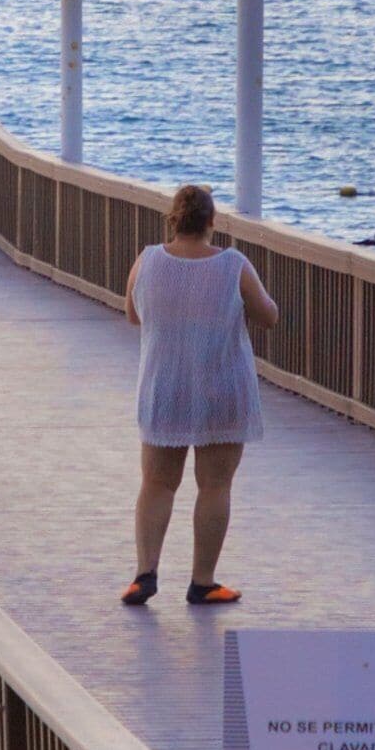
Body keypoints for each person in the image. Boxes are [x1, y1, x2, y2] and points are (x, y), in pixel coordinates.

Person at [118, 183, 277, 607]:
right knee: (215, 485)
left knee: (156, 483)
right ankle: (202, 582)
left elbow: (133, 315)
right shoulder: (233, 264)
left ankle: (144, 574)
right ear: (211, 221)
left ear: (173, 219)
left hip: (164, 387)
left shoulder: (148, 261)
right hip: (221, 387)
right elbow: (268, 316)